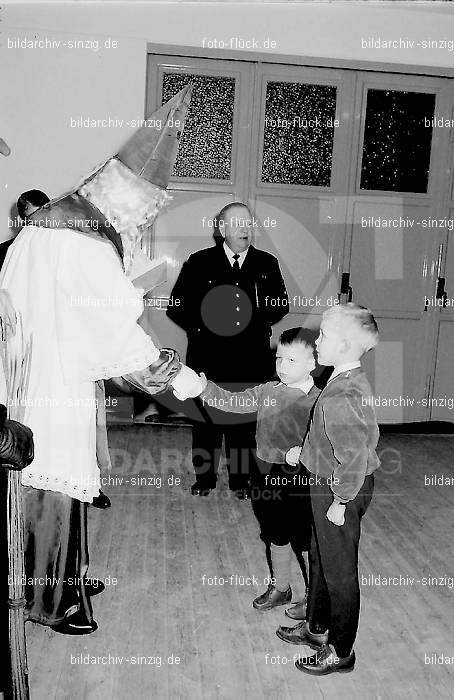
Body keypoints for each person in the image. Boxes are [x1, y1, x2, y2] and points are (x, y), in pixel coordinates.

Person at [0, 85, 201, 635]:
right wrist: (175, 375)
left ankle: (56, 577)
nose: (142, 221)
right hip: (59, 380)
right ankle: (52, 599)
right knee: (56, 481)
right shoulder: (86, 240)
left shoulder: (40, 227)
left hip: (22, 376)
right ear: (126, 197)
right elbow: (113, 325)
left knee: (43, 476)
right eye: (146, 209)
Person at [276, 303, 380, 676]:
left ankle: (341, 650)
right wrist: (300, 453)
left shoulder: (342, 394)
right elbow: (329, 439)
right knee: (321, 558)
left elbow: (352, 455)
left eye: (323, 336)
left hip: (340, 488)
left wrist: (341, 500)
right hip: (327, 481)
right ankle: (317, 629)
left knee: (339, 573)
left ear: (346, 344)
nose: (316, 341)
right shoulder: (341, 380)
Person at [167, 202, 288, 498]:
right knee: (205, 421)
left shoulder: (266, 263)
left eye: (249, 224)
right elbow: (177, 306)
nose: (245, 230)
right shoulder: (200, 262)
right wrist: (205, 326)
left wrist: (254, 321)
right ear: (222, 229)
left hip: (250, 357)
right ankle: (204, 479)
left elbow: (281, 304)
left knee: (244, 422)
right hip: (208, 356)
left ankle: (241, 481)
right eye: (237, 224)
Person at [195, 328, 319, 615]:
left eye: (292, 361)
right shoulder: (267, 390)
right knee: (274, 532)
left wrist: (302, 453)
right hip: (265, 474)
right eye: (279, 358)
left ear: (313, 363)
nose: (282, 366)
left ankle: (315, 598)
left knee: (303, 539)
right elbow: (234, 401)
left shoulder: (318, 401)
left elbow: (327, 441)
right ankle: (282, 588)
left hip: (300, 478)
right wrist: (206, 389)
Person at [0, 190, 50, 271]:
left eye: (45, 216)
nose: (40, 223)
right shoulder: (5, 252)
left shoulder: (63, 247)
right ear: (21, 220)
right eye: (33, 218)